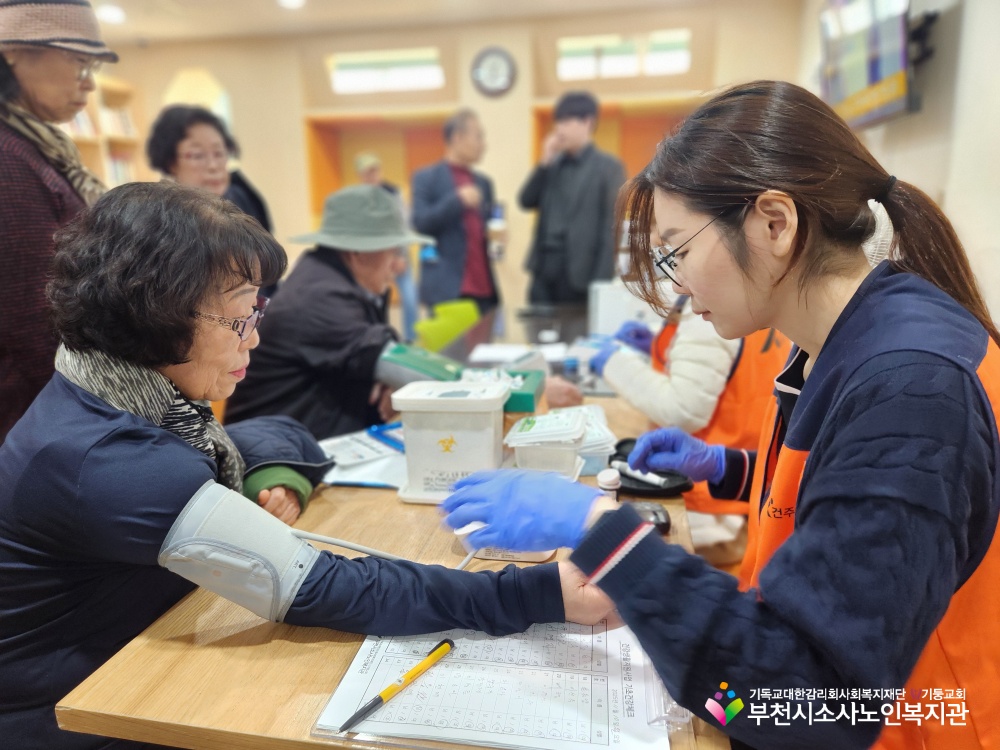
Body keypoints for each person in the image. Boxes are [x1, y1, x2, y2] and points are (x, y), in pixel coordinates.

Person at [442, 80, 1000, 749]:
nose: (676, 284)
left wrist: (602, 533)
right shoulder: (850, 340)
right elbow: (850, 501)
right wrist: (729, 470)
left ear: (775, 222)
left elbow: (798, 710)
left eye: (678, 250)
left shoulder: (912, 389)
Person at [0, 181, 614, 750]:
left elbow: (279, 432)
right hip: (79, 711)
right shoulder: (112, 462)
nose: (255, 339)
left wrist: (269, 475)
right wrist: (533, 592)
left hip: (135, 653)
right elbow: (318, 587)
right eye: (239, 318)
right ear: (157, 314)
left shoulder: (113, 392)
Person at [0, 0, 117, 441]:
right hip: (35, 419)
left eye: (94, 67)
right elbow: (31, 320)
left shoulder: (36, 146)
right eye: (77, 62)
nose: (88, 83)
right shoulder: (9, 159)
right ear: (13, 51)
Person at [225, 185, 421, 438]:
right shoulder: (319, 296)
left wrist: (385, 375)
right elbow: (392, 361)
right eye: (393, 250)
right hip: (272, 461)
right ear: (358, 252)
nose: (398, 263)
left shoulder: (331, 277)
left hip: (308, 444)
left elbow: (378, 356)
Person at [146, 104, 277, 296]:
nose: (213, 166)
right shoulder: (158, 220)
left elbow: (267, 276)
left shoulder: (241, 199)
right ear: (171, 162)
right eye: (197, 155)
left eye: (219, 153)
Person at [520, 91, 626, 305]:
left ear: (587, 122)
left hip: (581, 278)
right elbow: (526, 200)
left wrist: (600, 285)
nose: (559, 128)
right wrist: (544, 163)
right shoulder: (552, 164)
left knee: (577, 337)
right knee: (537, 335)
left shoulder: (609, 167)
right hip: (542, 273)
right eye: (557, 121)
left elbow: (612, 228)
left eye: (566, 121)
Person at [411, 109, 500, 315]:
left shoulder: (484, 183)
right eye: (478, 136)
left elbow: (483, 230)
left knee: (484, 348)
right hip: (446, 290)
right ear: (457, 138)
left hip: (484, 289)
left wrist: (493, 235)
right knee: (448, 348)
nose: (483, 144)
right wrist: (456, 200)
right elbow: (420, 223)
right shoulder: (426, 178)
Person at [356, 151, 420, 342]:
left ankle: (411, 341)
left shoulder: (394, 194)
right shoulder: (356, 199)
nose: (372, 176)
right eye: (367, 172)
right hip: (369, 260)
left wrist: (399, 256)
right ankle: (374, 340)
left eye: (375, 171)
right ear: (361, 175)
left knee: (410, 299)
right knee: (370, 301)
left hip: (396, 255)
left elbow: (403, 226)